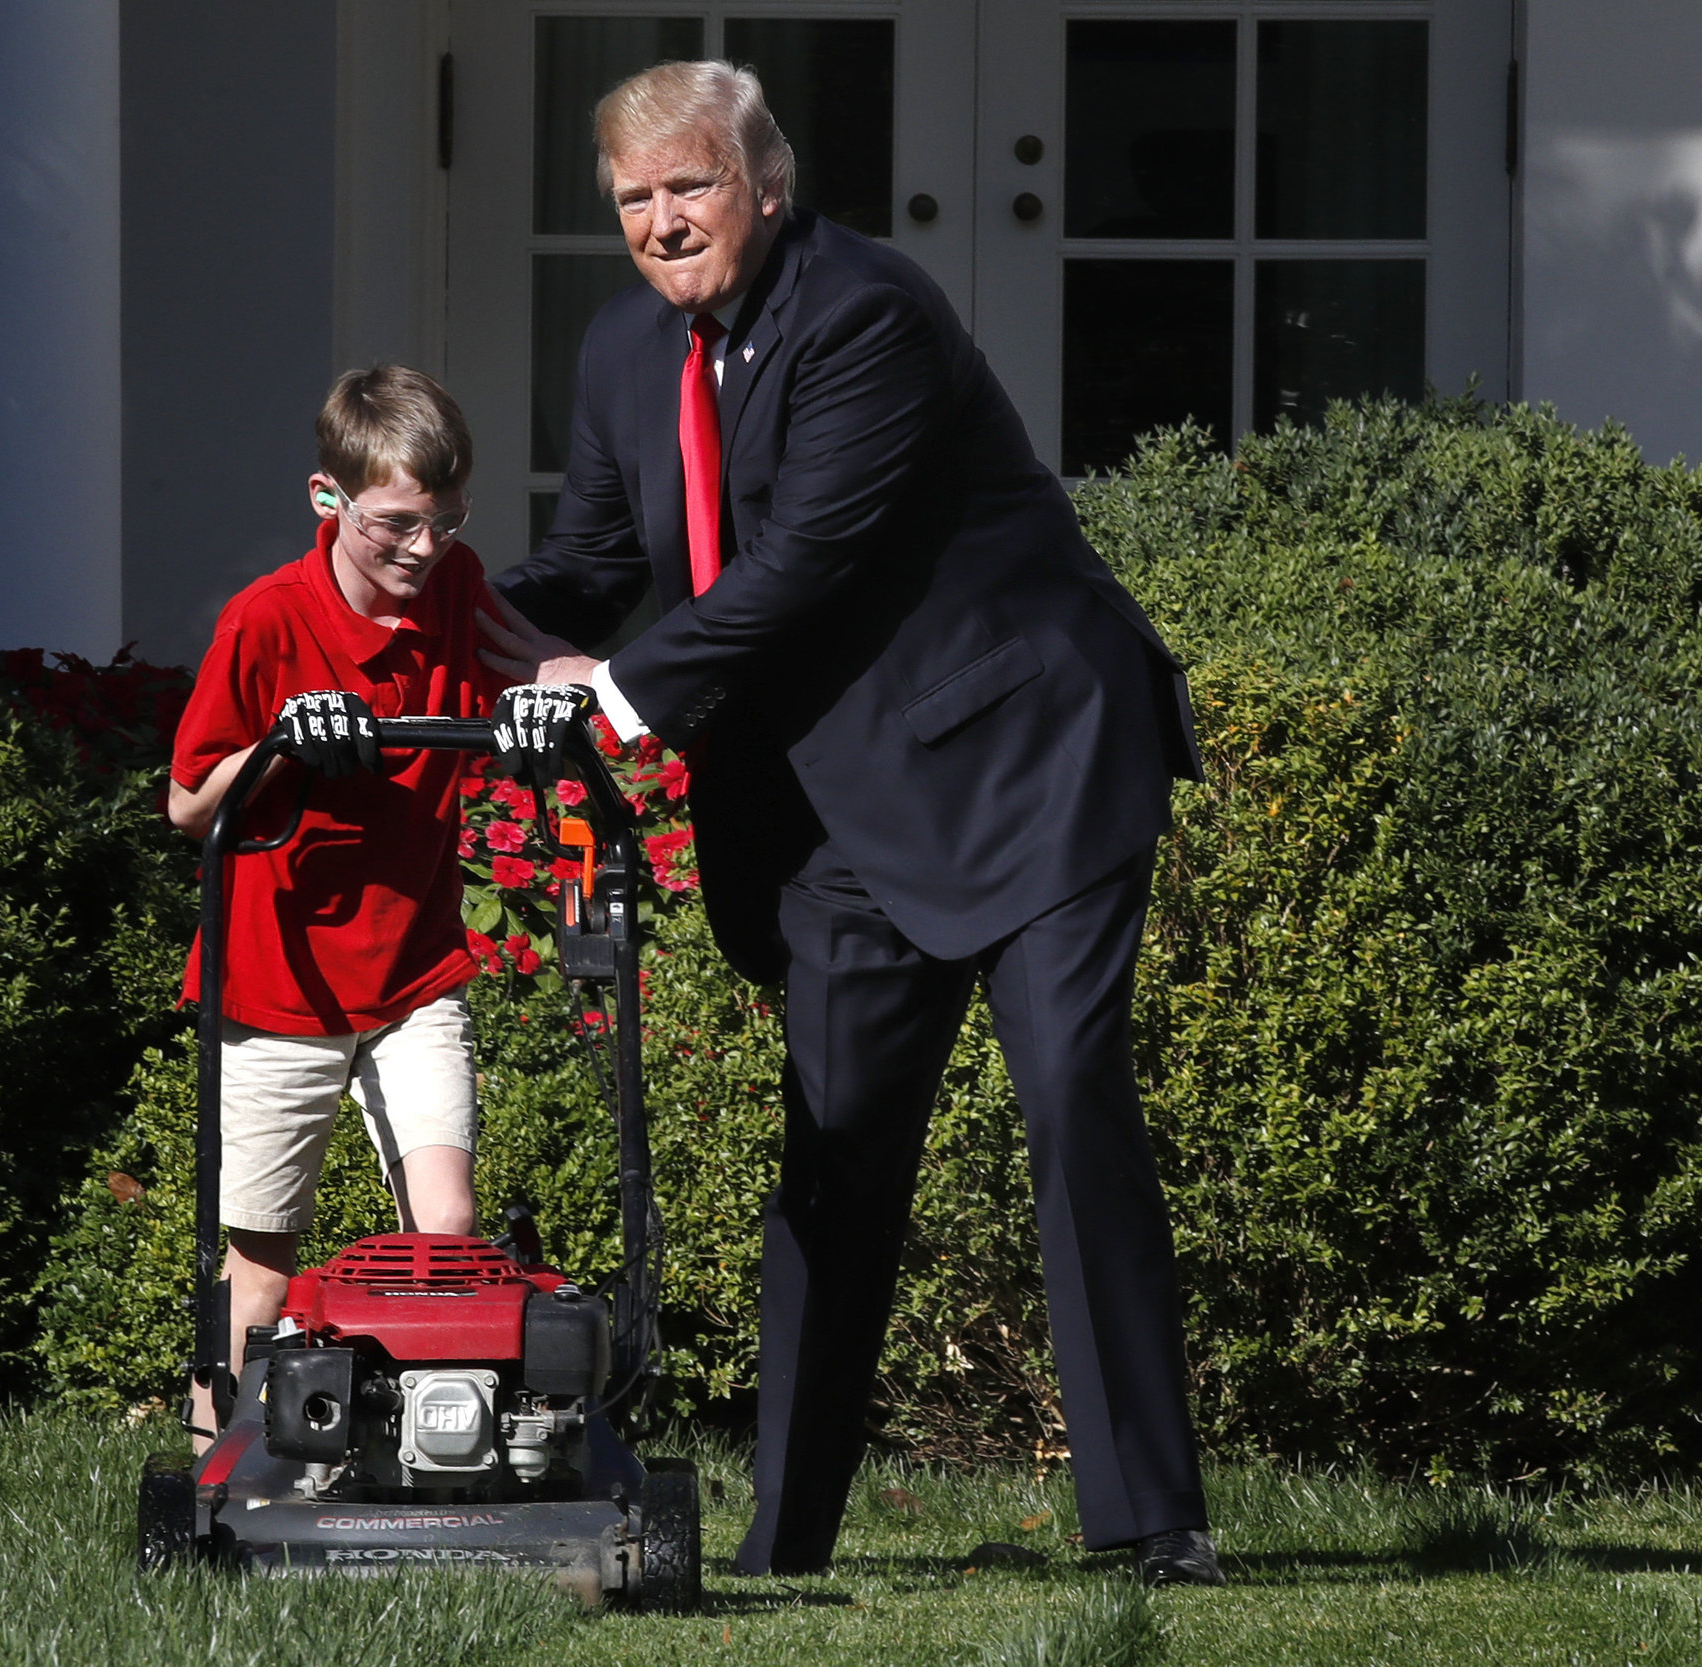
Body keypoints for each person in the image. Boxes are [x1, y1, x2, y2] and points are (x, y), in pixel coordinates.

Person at [480, 61, 1223, 1584]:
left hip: (1028, 764)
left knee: (1075, 1103)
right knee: (833, 1155)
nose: (662, 220)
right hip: (835, 818)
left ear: (766, 181)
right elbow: (596, 557)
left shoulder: (865, 312)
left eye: (690, 185)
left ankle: (1158, 1522)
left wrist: (615, 697)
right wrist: (417, 612)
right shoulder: (627, 346)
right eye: (633, 198)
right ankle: (784, 1540)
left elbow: (807, 556)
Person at [168, 364, 507, 1439]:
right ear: (328, 498)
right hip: (281, 980)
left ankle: (430, 1455)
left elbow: (520, 665)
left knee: (445, 1228)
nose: (423, 549)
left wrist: (552, 701)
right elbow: (187, 802)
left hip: (412, 965)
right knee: (260, 1269)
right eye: (397, 524)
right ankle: (208, 1467)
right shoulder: (266, 621)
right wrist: (279, 745)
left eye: (445, 522)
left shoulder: (454, 588)